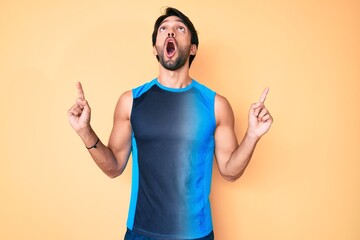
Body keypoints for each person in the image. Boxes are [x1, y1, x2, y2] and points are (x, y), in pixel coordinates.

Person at [68, 7, 273, 240]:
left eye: (180, 28)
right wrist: (85, 131)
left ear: (193, 47)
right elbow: (113, 167)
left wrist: (252, 135)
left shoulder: (216, 105)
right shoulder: (131, 102)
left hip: (196, 235)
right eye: (163, 29)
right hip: (140, 233)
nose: (171, 33)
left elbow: (230, 172)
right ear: (155, 47)